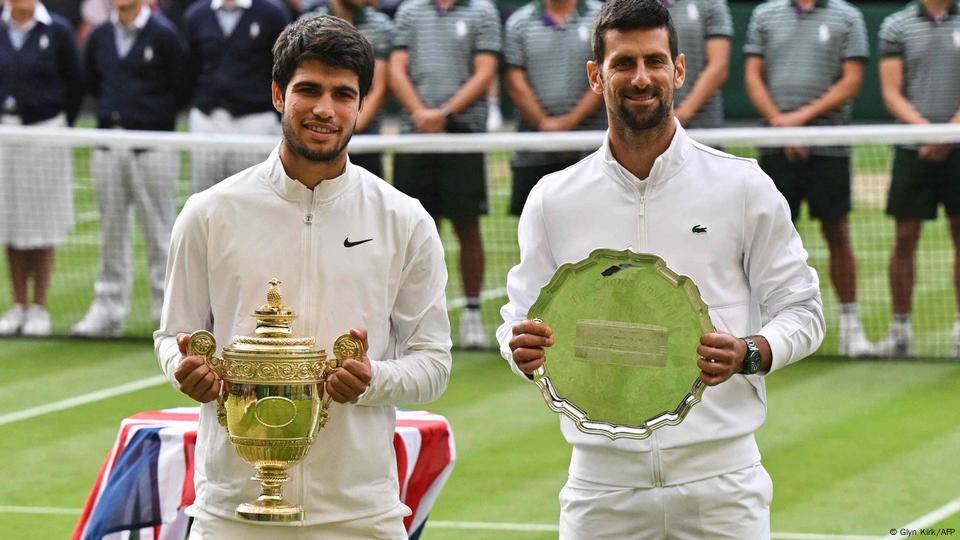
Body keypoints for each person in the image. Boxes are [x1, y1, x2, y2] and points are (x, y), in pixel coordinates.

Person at [497, 0, 824, 537]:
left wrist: (751, 353)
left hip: (723, 484)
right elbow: (516, 322)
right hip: (600, 490)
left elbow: (803, 312)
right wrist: (519, 348)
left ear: (679, 69)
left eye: (654, 61)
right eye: (623, 63)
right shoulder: (553, 198)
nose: (640, 77)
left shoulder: (742, 186)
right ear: (595, 76)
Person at [154, 14, 452, 537]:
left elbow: (433, 363)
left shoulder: (403, 219)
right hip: (231, 512)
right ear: (277, 94)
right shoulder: (209, 212)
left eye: (343, 94)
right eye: (308, 90)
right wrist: (185, 366)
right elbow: (170, 334)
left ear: (361, 104)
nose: (324, 109)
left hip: (360, 515)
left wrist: (371, 380)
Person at [744, 0, 870, 357]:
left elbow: (851, 81)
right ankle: (763, 332)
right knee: (765, 241)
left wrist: (797, 121)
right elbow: (753, 74)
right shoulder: (764, 14)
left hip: (828, 148)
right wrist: (781, 126)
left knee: (837, 233)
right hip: (775, 146)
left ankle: (851, 327)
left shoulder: (848, 16)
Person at [389, 0, 501, 349]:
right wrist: (421, 114)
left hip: (463, 134)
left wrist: (444, 113)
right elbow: (396, 67)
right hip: (415, 136)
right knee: (415, 231)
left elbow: (485, 71)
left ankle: (470, 316)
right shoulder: (409, 11)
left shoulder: (482, 12)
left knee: (468, 226)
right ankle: (413, 321)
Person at [73, 0, 188, 337]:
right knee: (112, 233)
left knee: (160, 234)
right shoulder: (100, 36)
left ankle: (166, 313)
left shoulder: (164, 35)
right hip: (109, 146)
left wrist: (148, 118)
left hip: (153, 148)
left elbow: (180, 88)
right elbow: (93, 81)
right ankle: (108, 311)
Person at [875, 0, 960, 357]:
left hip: (957, 144)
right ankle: (899, 330)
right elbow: (892, 92)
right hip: (913, 149)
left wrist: (948, 134)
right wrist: (928, 133)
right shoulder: (897, 25)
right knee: (905, 238)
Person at [0, 0, 82, 336]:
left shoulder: (58, 31)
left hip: (46, 132)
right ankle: (18, 305)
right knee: (12, 221)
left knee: (42, 223)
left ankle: (39, 307)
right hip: (6, 133)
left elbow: (74, 86)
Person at [503, 0, 605, 216]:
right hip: (534, 154)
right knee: (534, 237)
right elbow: (515, 82)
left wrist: (568, 124)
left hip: (592, 152)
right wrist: (544, 124)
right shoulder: (519, 23)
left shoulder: (603, 16)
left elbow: (606, 74)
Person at [183, 0, 289, 193]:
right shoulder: (196, 15)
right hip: (207, 121)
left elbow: (284, 69)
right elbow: (189, 69)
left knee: (255, 197)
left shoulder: (272, 14)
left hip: (256, 122)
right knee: (204, 200)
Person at [309, 0, 392, 177]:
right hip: (319, 136)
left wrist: (348, 125)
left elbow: (380, 87)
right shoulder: (309, 24)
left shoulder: (381, 25)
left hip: (366, 141)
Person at [667, 0, 731, 128]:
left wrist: (682, 114)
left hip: (703, 126)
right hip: (644, 126)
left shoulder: (712, 3)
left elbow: (719, 66)